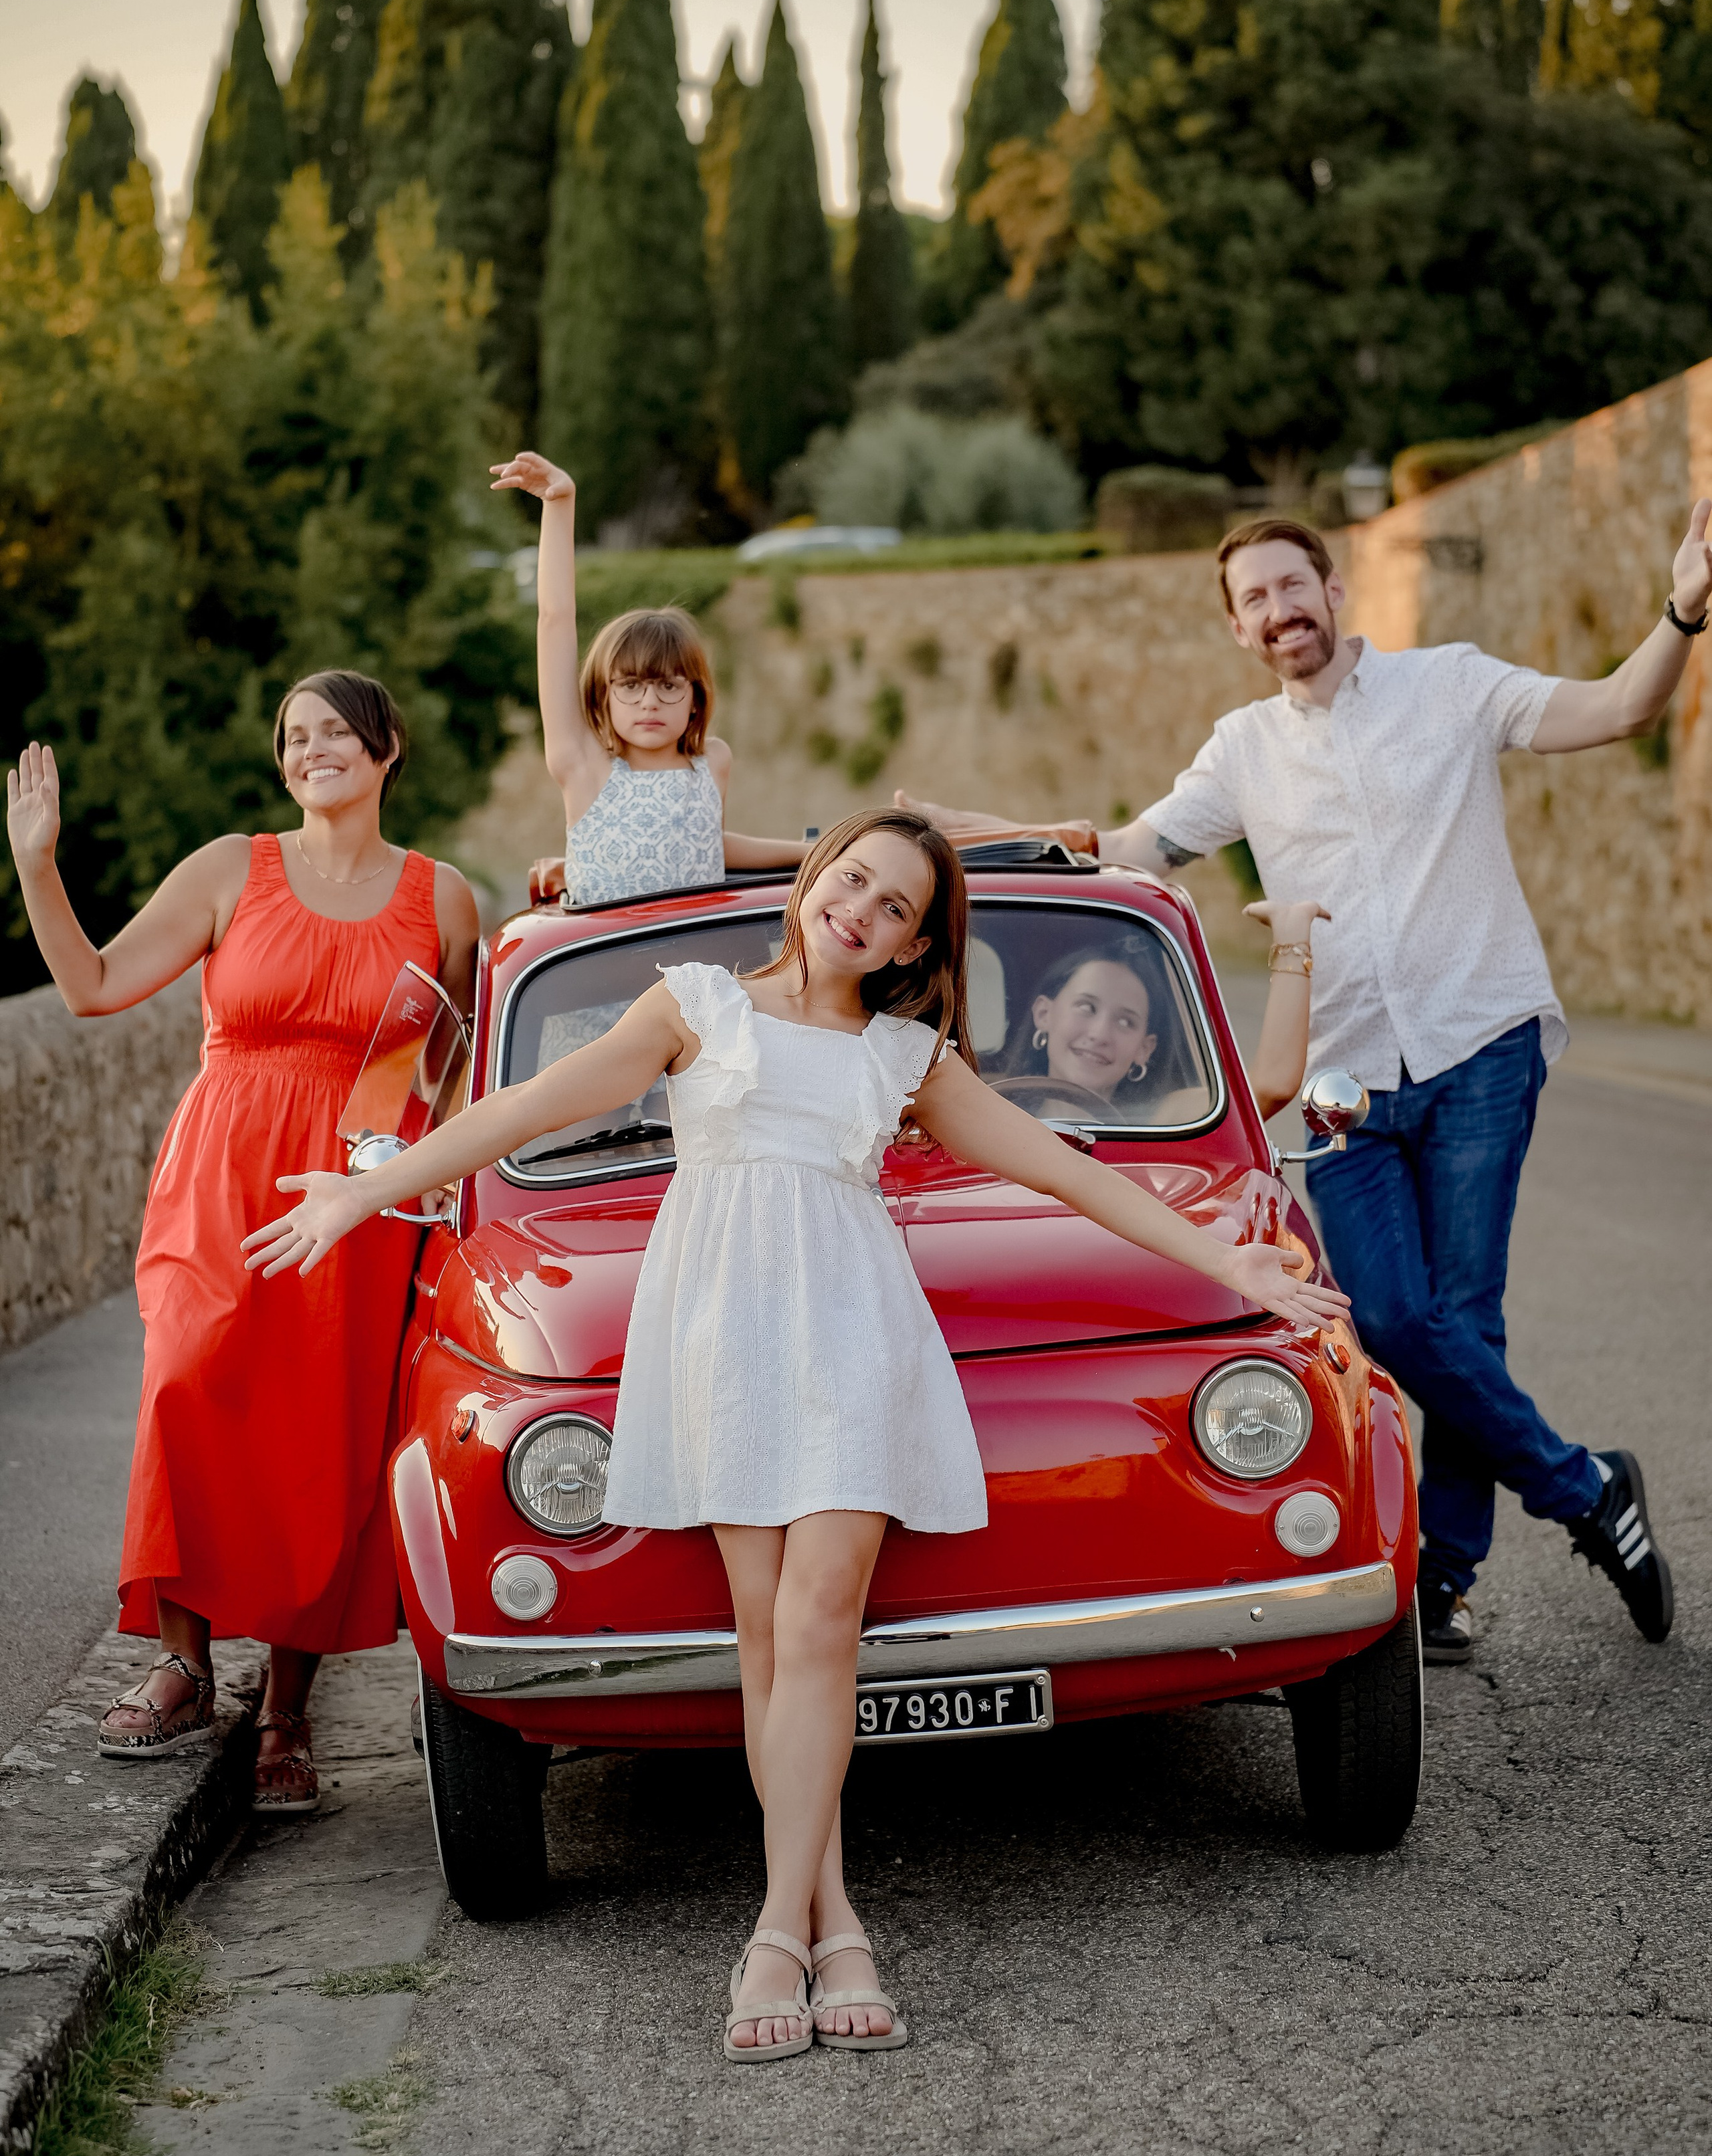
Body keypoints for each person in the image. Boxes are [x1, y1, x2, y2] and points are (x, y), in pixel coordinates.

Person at [243, 811, 1348, 2054]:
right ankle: (835, 1926)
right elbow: (538, 1104)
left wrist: (1230, 1265)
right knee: (763, 1638)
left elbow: (1065, 1171)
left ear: (913, 941)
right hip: (721, 1348)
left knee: (823, 1625)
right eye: (854, 880)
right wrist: (364, 1190)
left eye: (893, 908)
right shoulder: (696, 1003)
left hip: (854, 1342)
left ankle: (779, 1932)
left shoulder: (903, 1057)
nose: (860, 911)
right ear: (817, 877)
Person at [900, 506, 1709, 1662]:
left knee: (1462, 1322)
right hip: (1344, 1084)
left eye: (1294, 587)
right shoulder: (1242, 751)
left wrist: (1683, 608)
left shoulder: (1453, 687)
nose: (1281, 612)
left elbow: (1620, 706)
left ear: (1332, 590)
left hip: (1482, 1042)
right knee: (1384, 1317)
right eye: (1255, 602)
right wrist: (948, 837)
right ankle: (1588, 1493)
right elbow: (1123, 850)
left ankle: (1449, 1579)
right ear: (1239, 629)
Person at [4, 675, 479, 1807]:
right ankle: (183, 1663)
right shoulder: (233, 868)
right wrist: (36, 862)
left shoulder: (443, 897)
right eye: (294, 736)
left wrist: (421, 1186)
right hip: (222, 1174)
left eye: (335, 731)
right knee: (185, 1382)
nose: (314, 749)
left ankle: (287, 1708)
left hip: (356, 1192)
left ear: (386, 747)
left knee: (319, 1431)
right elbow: (94, 987)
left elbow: (456, 1073)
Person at [488, 450, 813, 906]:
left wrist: (810, 854)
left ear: (696, 699)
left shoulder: (713, 763)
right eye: (630, 685)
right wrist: (560, 504)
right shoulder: (582, 765)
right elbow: (555, 619)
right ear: (603, 698)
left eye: (669, 686)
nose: (649, 702)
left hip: (701, 969)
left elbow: (707, 848)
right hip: (607, 967)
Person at [994, 902, 1327, 1123]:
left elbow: (1272, 1086)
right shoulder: (989, 1106)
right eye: (1086, 1007)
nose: (1099, 1033)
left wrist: (1292, 938)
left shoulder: (1165, 1122)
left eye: (1126, 1021)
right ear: (1044, 1014)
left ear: (1145, 1048)